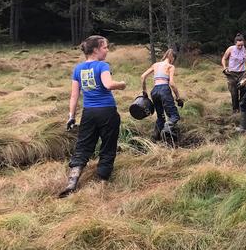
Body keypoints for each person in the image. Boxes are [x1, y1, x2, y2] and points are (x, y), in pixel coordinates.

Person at [60, 35, 126, 197]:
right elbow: (108, 84)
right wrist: (122, 84)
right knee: (108, 145)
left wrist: (71, 116)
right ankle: (102, 181)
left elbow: (74, 96)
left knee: (84, 145)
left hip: (88, 113)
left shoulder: (78, 69)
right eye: (105, 47)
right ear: (96, 50)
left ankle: (73, 180)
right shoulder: (102, 66)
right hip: (107, 112)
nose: (107, 50)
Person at [140, 48, 183, 141]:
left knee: (161, 116)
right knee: (174, 116)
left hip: (154, 91)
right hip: (164, 90)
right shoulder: (170, 66)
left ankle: (155, 137)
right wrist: (178, 98)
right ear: (172, 58)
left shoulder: (155, 65)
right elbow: (171, 83)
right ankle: (167, 129)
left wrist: (144, 91)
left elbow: (143, 76)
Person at [221, 34, 246, 113]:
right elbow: (224, 59)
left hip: (242, 73)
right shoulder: (231, 49)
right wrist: (225, 68)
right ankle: (235, 109)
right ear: (235, 43)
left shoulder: (245, 49)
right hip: (231, 73)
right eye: (238, 45)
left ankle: (242, 108)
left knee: (244, 90)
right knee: (234, 92)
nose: (240, 47)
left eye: (241, 45)